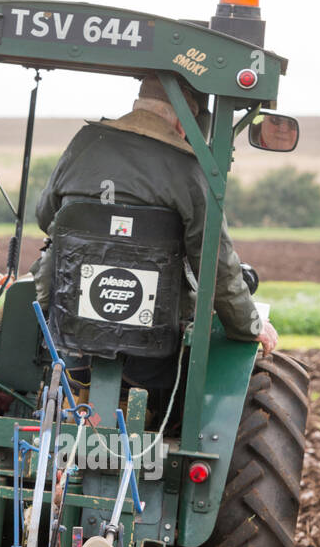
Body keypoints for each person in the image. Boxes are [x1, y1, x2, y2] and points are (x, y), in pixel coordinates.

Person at [31, 74, 279, 357]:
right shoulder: (191, 169)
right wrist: (247, 323)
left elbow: (45, 216)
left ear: (137, 107)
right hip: (157, 342)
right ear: (180, 125)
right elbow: (213, 258)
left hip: (64, 326)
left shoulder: (84, 143)